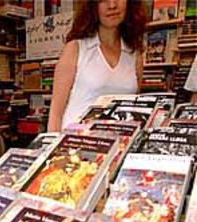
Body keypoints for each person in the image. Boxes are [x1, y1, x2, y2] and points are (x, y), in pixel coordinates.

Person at [48, 0, 147, 131]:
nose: (112, 5)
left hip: (119, 145)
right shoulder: (75, 48)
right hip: (74, 145)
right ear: (92, 6)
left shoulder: (134, 54)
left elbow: (134, 109)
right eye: (103, 0)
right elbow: (55, 114)